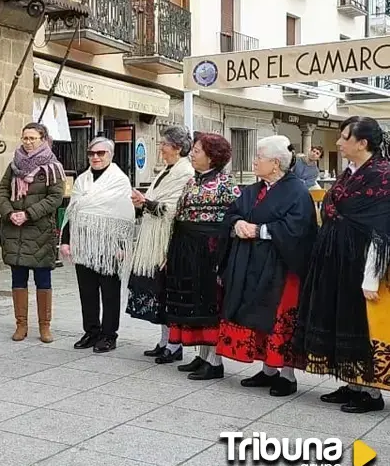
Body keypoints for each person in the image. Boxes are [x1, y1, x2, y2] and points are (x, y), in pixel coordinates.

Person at [294, 116, 390, 413]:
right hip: (337, 255)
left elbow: (382, 229)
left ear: (363, 143)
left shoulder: (382, 175)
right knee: (340, 317)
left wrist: (371, 277)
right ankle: (351, 381)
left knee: (359, 322)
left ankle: (370, 392)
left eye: (344, 137)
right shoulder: (351, 171)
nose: (338, 142)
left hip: (360, 260)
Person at [217, 135, 317, 397]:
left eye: (258, 157)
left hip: (282, 266)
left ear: (275, 163)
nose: (254, 161)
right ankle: (268, 369)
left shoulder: (297, 191)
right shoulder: (255, 189)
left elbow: (298, 228)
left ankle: (287, 374)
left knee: (280, 319)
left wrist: (260, 230)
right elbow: (233, 212)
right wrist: (237, 223)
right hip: (252, 263)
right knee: (258, 316)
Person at [163, 132, 240, 381]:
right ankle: (202, 354)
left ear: (212, 156)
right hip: (186, 248)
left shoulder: (226, 185)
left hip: (208, 251)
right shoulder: (194, 181)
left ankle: (214, 361)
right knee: (194, 300)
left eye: (197, 151)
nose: (192, 154)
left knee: (209, 302)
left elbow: (233, 219)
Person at [127, 126, 195, 364]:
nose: (161, 148)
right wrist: (143, 202)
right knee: (158, 291)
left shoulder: (185, 171)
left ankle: (175, 345)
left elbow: (175, 209)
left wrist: (146, 202)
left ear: (176, 148)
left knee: (167, 291)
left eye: (164, 144)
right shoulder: (167, 170)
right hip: (153, 237)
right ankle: (164, 340)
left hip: (166, 239)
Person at [61, 137, 136, 353]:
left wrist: (122, 246)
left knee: (110, 292)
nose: (95, 157)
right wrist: (66, 241)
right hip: (83, 244)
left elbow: (125, 216)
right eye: (92, 153)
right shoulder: (82, 180)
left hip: (109, 247)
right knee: (87, 291)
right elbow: (72, 211)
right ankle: (91, 331)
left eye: (101, 153)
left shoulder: (119, 180)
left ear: (110, 155)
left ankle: (109, 335)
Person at [0, 123, 67, 343]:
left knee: (43, 280)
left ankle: (45, 327)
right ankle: (21, 325)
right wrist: (9, 213)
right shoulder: (14, 164)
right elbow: (2, 191)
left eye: (32, 138)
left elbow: (55, 198)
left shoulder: (52, 167)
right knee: (18, 279)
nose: (27, 142)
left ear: (43, 139)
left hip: (39, 232)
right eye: (25, 138)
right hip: (14, 231)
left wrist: (28, 214)